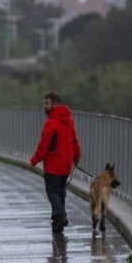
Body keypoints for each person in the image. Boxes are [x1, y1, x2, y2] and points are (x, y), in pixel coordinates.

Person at [28, 91, 82, 233]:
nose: (44, 106)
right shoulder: (69, 121)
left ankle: (60, 215)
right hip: (66, 163)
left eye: (47, 103)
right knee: (61, 191)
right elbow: (75, 141)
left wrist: (34, 160)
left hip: (53, 164)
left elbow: (44, 144)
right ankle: (57, 222)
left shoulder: (51, 123)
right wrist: (76, 157)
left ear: (55, 104)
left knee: (52, 192)